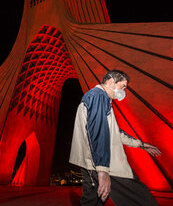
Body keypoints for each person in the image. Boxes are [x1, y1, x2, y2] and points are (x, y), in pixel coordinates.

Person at [69, 69, 162, 206]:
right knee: (140, 198)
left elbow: (114, 133)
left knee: (91, 202)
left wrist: (140, 144)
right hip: (106, 164)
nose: (124, 90)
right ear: (111, 82)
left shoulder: (98, 97)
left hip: (90, 164)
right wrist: (102, 170)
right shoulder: (99, 96)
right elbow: (97, 131)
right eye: (123, 86)